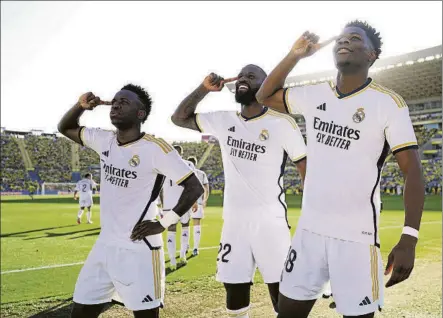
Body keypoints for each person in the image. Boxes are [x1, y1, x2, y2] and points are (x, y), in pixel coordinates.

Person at [256, 20, 425, 318]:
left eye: (355, 38)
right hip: (309, 233)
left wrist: (409, 237)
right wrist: (294, 55)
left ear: (372, 55)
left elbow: (412, 171)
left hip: (356, 239)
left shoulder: (389, 104)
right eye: (341, 38)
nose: (344, 42)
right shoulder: (314, 93)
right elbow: (264, 96)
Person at [171, 64, 307, 317]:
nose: (243, 79)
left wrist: (311, 211)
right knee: (234, 291)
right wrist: (203, 89)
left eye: (252, 76)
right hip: (233, 223)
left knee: (282, 295)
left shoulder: (282, 124)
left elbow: (304, 166)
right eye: (241, 75)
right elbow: (179, 118)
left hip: (270, 223)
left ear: (265, 84)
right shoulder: (224, 120)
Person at [58, 84, 203, 318]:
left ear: (140, 113)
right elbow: (65, 127)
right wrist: (80, 106)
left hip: (140, 249)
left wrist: (164, 223)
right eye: (115, 101)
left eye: (124, 102)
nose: (116, 104)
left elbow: (194, 186)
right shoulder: (103, 139)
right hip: (104, 246)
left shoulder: (156, 148)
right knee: (80, 311)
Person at [160, 145, 196, 270]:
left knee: (171, 230)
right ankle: (182, 256)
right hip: (184, 202)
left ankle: (172, 261)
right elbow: (194, 185)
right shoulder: (189, 165)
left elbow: (160, 189)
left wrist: (162, 205)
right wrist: (194, 201)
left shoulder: (163, 166)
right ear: (181, 153)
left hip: (169, 205)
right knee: (185, 227)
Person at [186, 156, 210, 256]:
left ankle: (185, 246)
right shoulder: (201, 173)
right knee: (196, 224)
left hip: (185, 203)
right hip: (198, 202)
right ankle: (195, 248)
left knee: (185, 225)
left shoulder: (183, 172)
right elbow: (206, 189)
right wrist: (204, 200)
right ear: (195, 163)